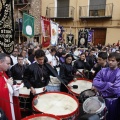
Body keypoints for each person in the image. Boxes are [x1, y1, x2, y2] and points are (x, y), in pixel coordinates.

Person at [92, 52, 120, 120]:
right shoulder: (103, 70)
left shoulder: (119, 73)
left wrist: (100, 88)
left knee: (111, 117)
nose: (110, 62)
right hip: (101, 99)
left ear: (118, 62)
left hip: (114, 102)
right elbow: (95, 82)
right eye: (109, 60)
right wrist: (108, 84)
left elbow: (115, 90)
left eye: (113, 61)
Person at [0, 53, 21, 120]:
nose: (9, 66)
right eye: (8, 64)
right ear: (0, 62)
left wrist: (14, 86)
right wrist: (8, 84)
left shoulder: (3, 73)